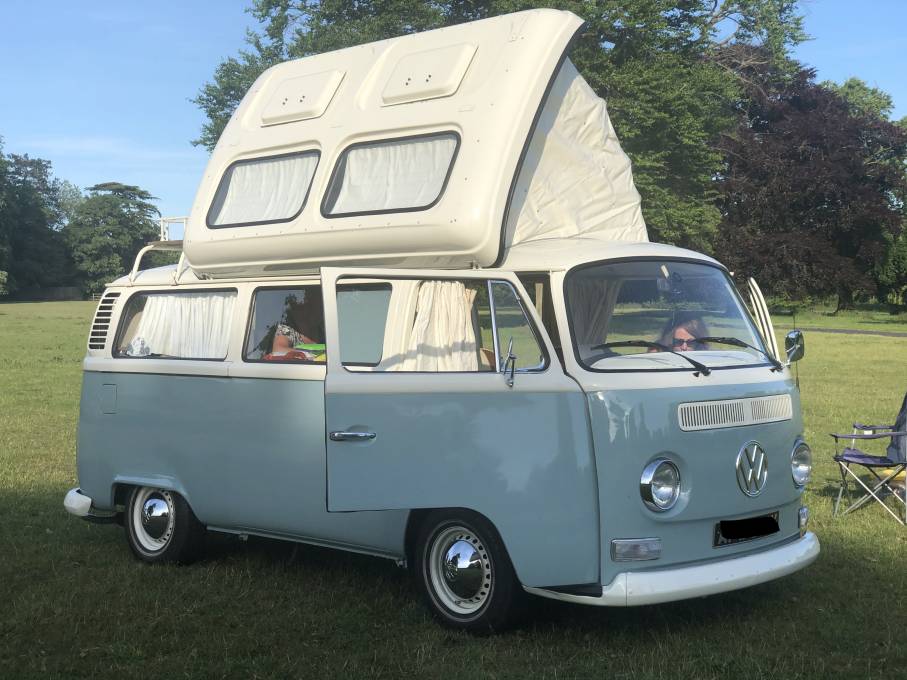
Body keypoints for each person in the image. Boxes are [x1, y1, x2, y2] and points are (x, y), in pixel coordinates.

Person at [269, 293, 326, 361]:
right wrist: (318, 355)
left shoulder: (324, 330)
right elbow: (278, 351)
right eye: (300, 308)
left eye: (310, 307)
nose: (306, 312)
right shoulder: (286, 330)